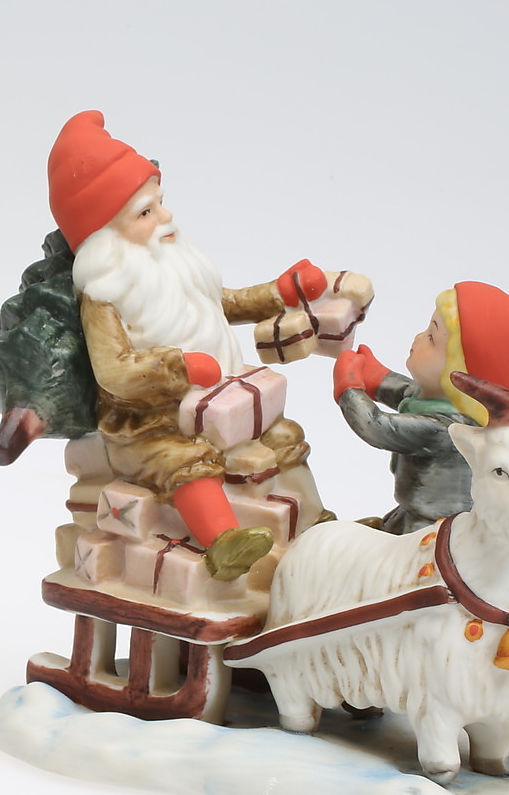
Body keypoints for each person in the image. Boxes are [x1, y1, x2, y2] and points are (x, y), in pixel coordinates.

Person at [49, 110, 328, 579]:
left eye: (160, 203)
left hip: (222, 400)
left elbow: (224, 303)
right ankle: (224, 544)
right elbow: (114, 371)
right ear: (105, 235)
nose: (165, 217)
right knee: (186, 460)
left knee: (285, 436)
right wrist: (179, 368)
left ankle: (318, 526)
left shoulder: (176, 269)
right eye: (146, 212)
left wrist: (279, 293)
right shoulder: (106, 294)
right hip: (148, 425)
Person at [331, 281, 509, 533]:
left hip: (429, 529)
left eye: (431, 338)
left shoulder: (444, 429)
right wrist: (378, 377)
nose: (418, 337)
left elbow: (377, 426)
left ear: (456, 372)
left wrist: (348, 388)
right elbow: (408, 393)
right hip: (408, 513)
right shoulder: (437, 403)